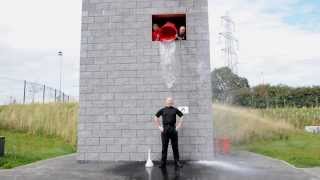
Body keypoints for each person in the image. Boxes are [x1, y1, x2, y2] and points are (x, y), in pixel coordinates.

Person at [154, 97, 184, 169]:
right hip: (165, 130)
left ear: (172, 102)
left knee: (175, 147)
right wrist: (159, 127)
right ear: (165, 102)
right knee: (164, 147)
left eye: (171, 101)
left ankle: (177, 162)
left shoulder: (175, 110)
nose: (169, 102)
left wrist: (178, 126)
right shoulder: (162, 110)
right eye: (168, 101)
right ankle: (163, 163)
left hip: (173, 129)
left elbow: (182, 116)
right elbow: (155, 117)